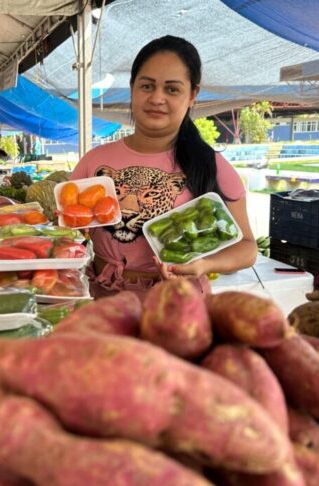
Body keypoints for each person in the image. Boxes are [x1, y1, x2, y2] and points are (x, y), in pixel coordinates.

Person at [70, 35, 257, 300]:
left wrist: (205, 264)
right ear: (133, 87)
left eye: (172, 89)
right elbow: (69, 228)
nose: (157, 98)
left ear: (192, 94)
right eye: (147, 86)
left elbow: (247, 247)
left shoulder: (209, 164)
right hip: (105, 299)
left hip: (180, 305)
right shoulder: (94, 161)